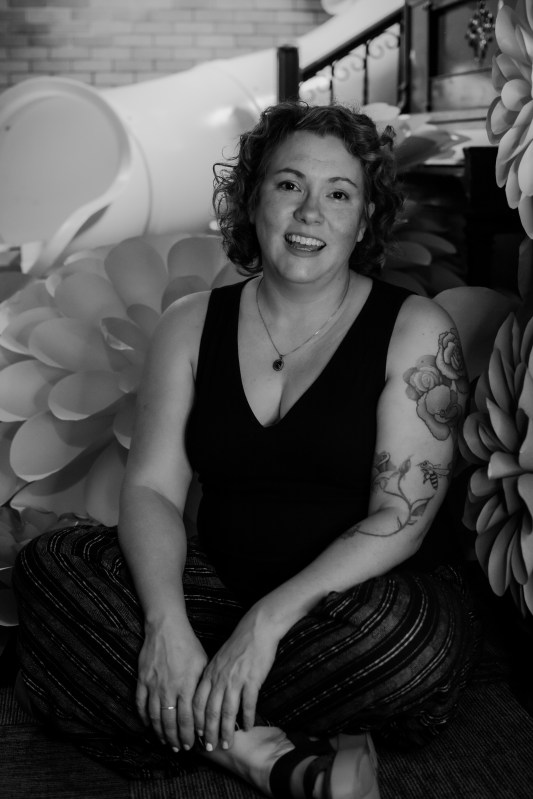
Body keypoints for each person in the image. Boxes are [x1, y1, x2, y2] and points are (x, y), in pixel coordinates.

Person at [13, 102, 481, 799]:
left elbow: (399, 518)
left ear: (364, 219)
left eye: (339, 194)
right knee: (51, 564)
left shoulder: (416, 329)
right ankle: (256, 753)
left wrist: (263, 625)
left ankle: (177, 701)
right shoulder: (188, 325)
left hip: (355, 603)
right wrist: (167, 623)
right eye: (289, 184)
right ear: (253, 198)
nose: (309, 212)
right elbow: (152, 490)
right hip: (220, 586)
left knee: (408, 641)